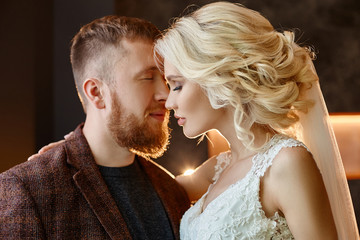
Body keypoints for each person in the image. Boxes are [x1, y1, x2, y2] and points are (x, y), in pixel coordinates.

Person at [155, 1, 358, 239]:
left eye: (177, 85)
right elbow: (148, 191)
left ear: (219, 77)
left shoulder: (286, 162)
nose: (168, 103)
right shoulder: (215, 169)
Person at [0, 16, 190, 239]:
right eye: (148, 78)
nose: (166, 95)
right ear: (97, 93)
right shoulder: (29, 189)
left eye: (166, 80)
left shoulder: (171, 190)